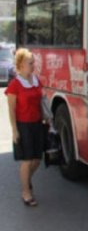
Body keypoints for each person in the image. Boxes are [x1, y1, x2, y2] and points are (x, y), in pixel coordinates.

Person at [5, 48, 51, 207]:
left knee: (37, 159)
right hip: (23, 125)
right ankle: (26, 192)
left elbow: (42, 100)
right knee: (27, 160)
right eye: (31, 63)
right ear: (22, 65)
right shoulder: (15, 85)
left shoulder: (36, 80)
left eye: (34, 62)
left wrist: (47, 117)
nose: (34, 65)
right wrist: (14, 130)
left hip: (37, 124)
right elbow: (11, 109)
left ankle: (27, 180)